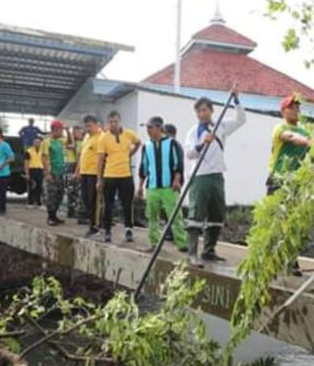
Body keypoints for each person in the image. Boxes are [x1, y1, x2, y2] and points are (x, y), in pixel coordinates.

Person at [184, 87, 246, 267]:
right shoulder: (193, 131)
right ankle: (192, 254)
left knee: (216, 214)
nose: (202, 114)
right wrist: (201, 144)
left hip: (217, 175)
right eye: (199, 111)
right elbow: (189, 154)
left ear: (211, 110)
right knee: (196, 214)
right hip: (200, 176)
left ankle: (209, 250)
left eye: (205, 110)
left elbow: (241, 119)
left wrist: (236, 100)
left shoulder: (221, 125)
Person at [267, 94, 312, 276]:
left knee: (293, 223)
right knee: (276, 222)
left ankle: (291, 260)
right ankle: (269, 260)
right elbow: (292, 138)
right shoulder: (280, 128)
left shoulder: (305, 130)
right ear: (283, 111)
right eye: (292, 107)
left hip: (296, 181)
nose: (296, 110)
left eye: (297, 107)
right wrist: (310, 142)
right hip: (279, 179)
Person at [137, 116, 188, 253]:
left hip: (168, 187)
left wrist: (176, 180)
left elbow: (178, 164)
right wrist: (140, 186)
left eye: (150, 127)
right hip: (152, 187)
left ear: (159, 128)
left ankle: (182, 243)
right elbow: (144, 167)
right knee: (152, 216)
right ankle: (154, 243)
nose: (148, 130)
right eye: (147, 128)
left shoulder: (172, 144)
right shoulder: (146, 146)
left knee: (175, 216)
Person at [97, 110, 141, 243]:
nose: (113, 124)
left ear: (119, 121)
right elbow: (100, 160)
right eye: (110, 122)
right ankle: (107, 231)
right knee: (108, 204)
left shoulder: (129, 134)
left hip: (125, 174)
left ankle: (128, 229)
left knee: (127, 204)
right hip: (110, 174)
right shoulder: (103, 138)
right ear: (108, 123)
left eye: (115, 121)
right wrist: (99, 179)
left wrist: (130, 154)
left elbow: (138, 143)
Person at [77, 115, 103, 238]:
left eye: (90, 126)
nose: (87, 128)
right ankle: (92, 222)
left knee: (94, 201)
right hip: (85, 172)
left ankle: (95, 226)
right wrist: (78, 170)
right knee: (86, 199)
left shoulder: (101, 137)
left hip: (94, 174)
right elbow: (82, 155)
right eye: (86, 126)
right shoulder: (87, 138)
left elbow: (102, 158)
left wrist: (100, 177)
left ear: (96, 124)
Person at [42, 120, 67, 225]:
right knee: (51, 195)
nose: (62, 132)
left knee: (60, 194)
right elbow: (44, 158)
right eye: (61, 130)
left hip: (60, 172)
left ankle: (55, 215)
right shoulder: (47, 142)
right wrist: (47, 173)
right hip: (52, 172)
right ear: (55, 130)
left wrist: (68, 130)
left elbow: (71, 143)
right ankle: (50, 217)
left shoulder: (60, 141)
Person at [65, 125, 84, 220]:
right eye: (77, 132)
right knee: (71, 188)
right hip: (72, 165)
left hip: (78, 165)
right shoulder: (72, 143)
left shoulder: (82, 143)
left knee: (77, 189)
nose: (79, 134)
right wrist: (68, 131)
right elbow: (74, 149)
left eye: (80, 132)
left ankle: (74, 209)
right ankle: (71, 210)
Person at [25, 137, 45, 207]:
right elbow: (26, 162)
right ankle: (30, 202)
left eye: (39, 142)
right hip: (32, 169)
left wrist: (45, 170)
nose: (37, 143)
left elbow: (44, 161)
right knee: (32, 186)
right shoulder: (29, 151)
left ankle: (39, 202)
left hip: (40, 169)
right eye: (36, 142)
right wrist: (27, 173)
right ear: (33, 143)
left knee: (39, 187)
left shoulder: (42, 151)